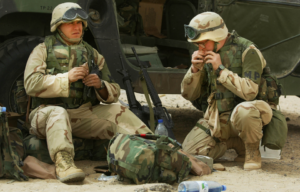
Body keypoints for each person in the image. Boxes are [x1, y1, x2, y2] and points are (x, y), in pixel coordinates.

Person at [24, 2, 152, 183]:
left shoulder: (92, 54)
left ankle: (154, 149)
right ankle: (64, 163)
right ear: (58, 26)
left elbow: (114, 91)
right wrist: (66, 78)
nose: (77, 28)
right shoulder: (43, 50)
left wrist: (100, 85)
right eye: (70, 23)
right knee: (58, 112)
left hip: (81, 115)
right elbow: (31, 84)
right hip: (46, 114)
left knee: (117, 110)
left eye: (79, 23)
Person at [181, 12, 273, 171]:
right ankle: (235, 143)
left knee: (244, 110)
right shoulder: (206, 54)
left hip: (249, 113)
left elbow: (250, 92)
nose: (200, 48)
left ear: (217, 36)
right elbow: (189, 95)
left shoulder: (248, 50)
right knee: (189, 154)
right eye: (197, 44)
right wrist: (194, 70)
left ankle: (252, 151)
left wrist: (220, 70)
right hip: (219, 118)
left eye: (203, 43)